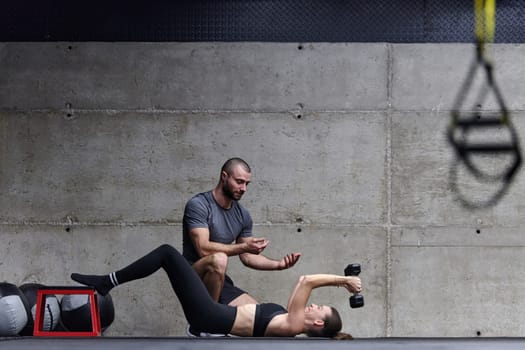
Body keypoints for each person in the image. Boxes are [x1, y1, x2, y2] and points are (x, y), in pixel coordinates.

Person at [71, 244, 361, 338]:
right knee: (216, 267)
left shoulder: (294, 323)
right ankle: (192, 267)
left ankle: (107, 281)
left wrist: (343, 281)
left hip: (208, 317)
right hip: (219, 310)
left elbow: (306, 280)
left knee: (167, 254)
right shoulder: (285, 317)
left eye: (318, 308)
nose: (313, 306)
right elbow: (246, 308)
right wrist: (217, 269)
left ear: (318, 323)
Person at [183, 158, 301, 307]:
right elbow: (203, 249)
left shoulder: (242, 215)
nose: (244, 188)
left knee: (261, 316)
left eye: (246, 184)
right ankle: (204, 325)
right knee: (219, 259)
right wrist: (244, 247)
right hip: (191, 274)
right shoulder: (199, 205)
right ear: (224, 177)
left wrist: (278, 264)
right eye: (239, 182)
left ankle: (210, 321)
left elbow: (247, 257)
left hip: (218, 278)